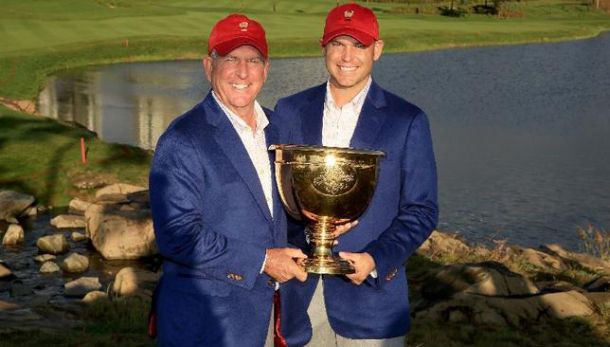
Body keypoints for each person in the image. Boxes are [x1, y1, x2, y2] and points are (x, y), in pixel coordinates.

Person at [274, 3, 439, 346]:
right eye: (338, 43)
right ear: (324, 47)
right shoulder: (289, 110)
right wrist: (304, 233)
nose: (347, 55)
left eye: (359, 45)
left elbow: (421, 210)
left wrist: (376, 259)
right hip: (302, 298)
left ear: (377, 50)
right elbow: (275, 200)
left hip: (372, 305)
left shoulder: (406, 120)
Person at [149, 13, 308, 347]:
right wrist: (264, 261)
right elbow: (178, 236)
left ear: (266, 69)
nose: (243, 72)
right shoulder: (182, 139)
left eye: (253, 60)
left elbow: (284, 216)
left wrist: (319, 227)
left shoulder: (280, 131)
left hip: (271, 317)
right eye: (231, 59)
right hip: (209, 325)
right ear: (209, 66)